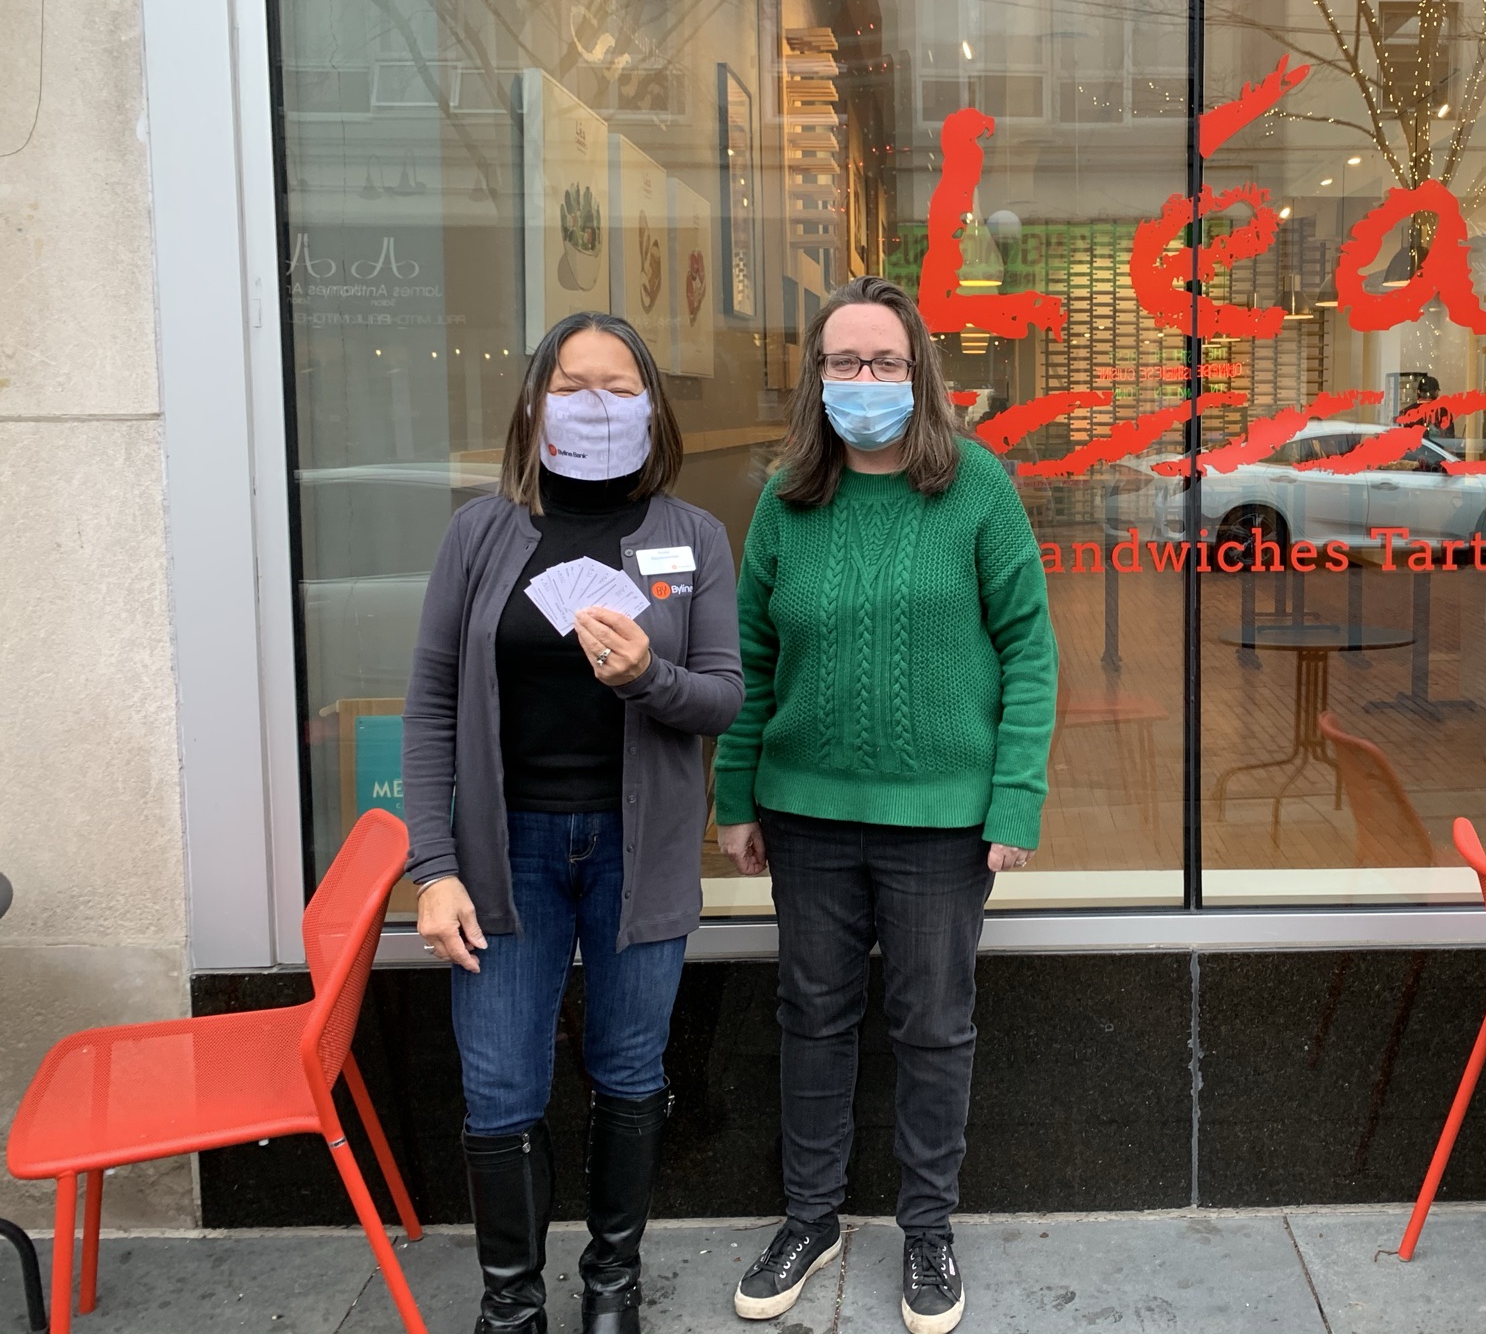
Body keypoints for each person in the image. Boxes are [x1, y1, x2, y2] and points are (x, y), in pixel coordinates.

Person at [714, 276, 1057, 1334]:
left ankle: (927, 1230)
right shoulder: (784, 498)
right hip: (807, 815)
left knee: (931, 1026)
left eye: (884, 363)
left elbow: (1029, 654)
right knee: (812, 1017)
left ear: (920, 376)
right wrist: (736, 796)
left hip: (940, 825)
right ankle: (810, 1218)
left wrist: (1013, 799)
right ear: (814, 379)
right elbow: (750, 656)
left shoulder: (977, 488)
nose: (862, 380)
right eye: (843, 362)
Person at [402, 312, 743, 1334]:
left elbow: (722, 697)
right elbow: (429, 704)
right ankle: (511, 1302)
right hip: (507, 860)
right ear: (535, 402)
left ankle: (610, 1284)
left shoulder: (692, 537)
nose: (595, 405)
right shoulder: (480, 533)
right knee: (500, 1079)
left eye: (617, 385)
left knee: (631, 1069)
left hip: (637, 856)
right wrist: (432, 866)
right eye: (572, 384)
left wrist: (651, 678)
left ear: (651, 405)